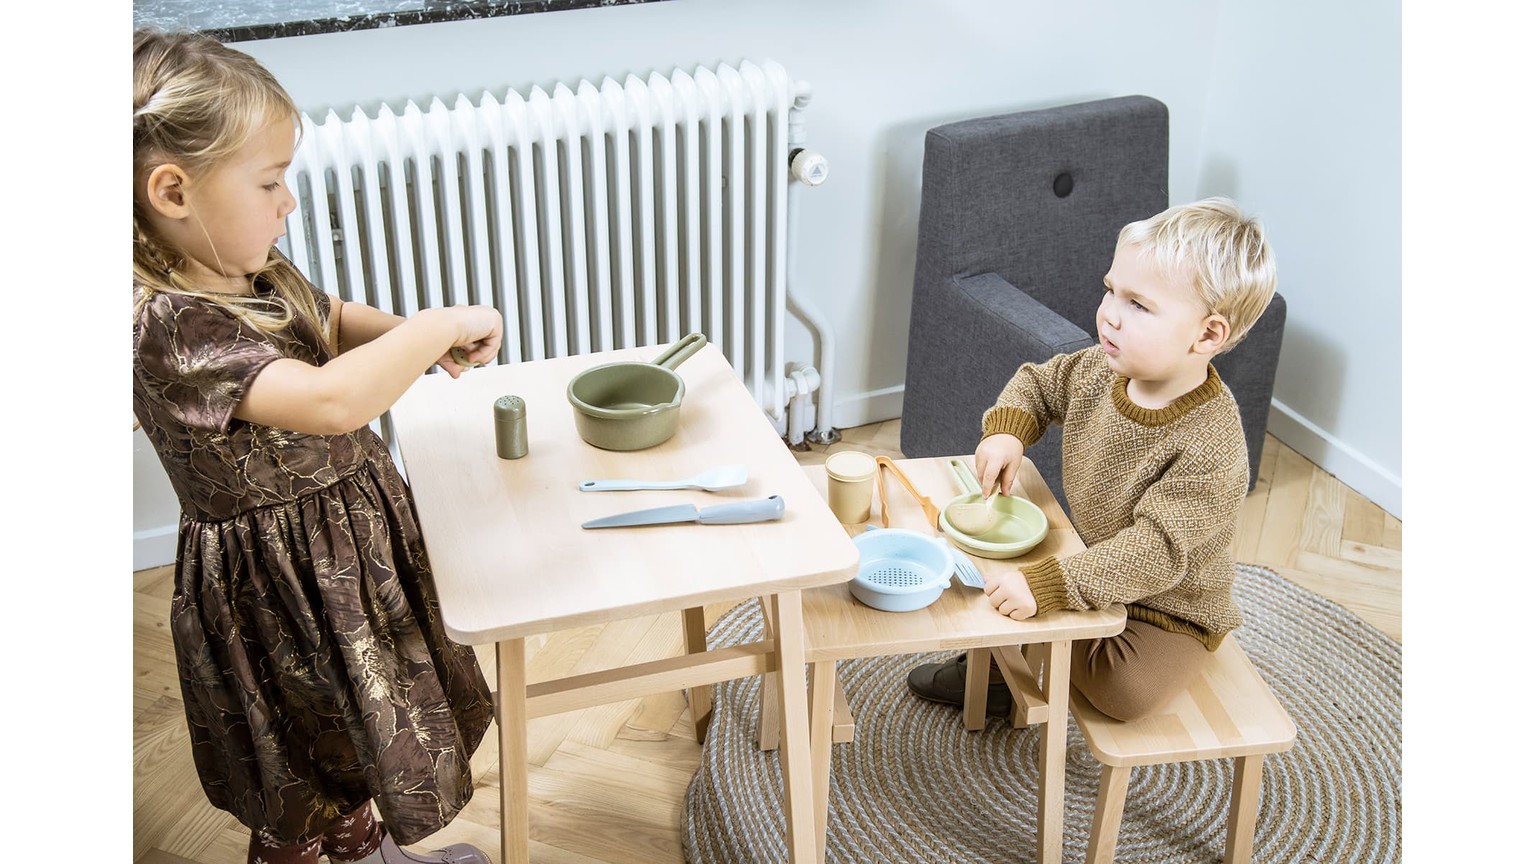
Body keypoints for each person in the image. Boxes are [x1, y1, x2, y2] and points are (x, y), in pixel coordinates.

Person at [133, 28, 502, 864]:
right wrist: (441, 324)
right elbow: (332, 401)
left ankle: (365, 851)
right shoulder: (168, 328)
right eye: (269, 180)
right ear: (172, 190)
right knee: (306, 763)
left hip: (345, 550)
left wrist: (411, 335)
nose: (288, 201)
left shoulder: (244, 265)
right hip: (277, 588)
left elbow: (326, 325)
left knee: (360, 732)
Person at [907, 197, 1278, 723]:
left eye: (1139, 305)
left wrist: (1053, 589)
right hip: (1091, 554)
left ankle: (1015, 652)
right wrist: (1009, 432)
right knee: (1001, 560)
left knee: (1122, 692)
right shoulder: (1101, 369)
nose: (1109, 315)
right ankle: (1001, 667)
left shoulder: (1211, 445)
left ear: (1208, 334)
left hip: (1166, 608)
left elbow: (1155, 554)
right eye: (1111, 290)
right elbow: (1038, 383)